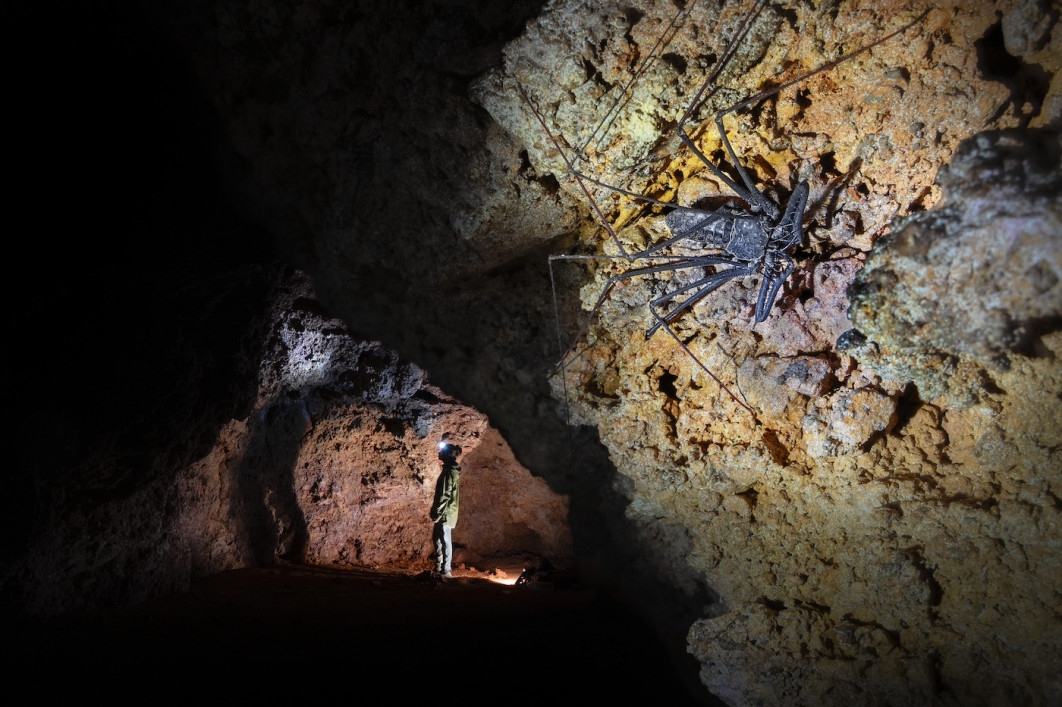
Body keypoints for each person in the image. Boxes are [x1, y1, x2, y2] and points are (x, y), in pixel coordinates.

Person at [430, 441, 462, 579]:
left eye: (441, 451)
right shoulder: (449, 470)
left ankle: (446, 571)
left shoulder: (449, 472)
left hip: (446, 513)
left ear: (447, 455)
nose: (439, 452)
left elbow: (445, 495)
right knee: (437, 539)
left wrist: (438, 513)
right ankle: (439, 568)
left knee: (444, 540)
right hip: (445, 512)